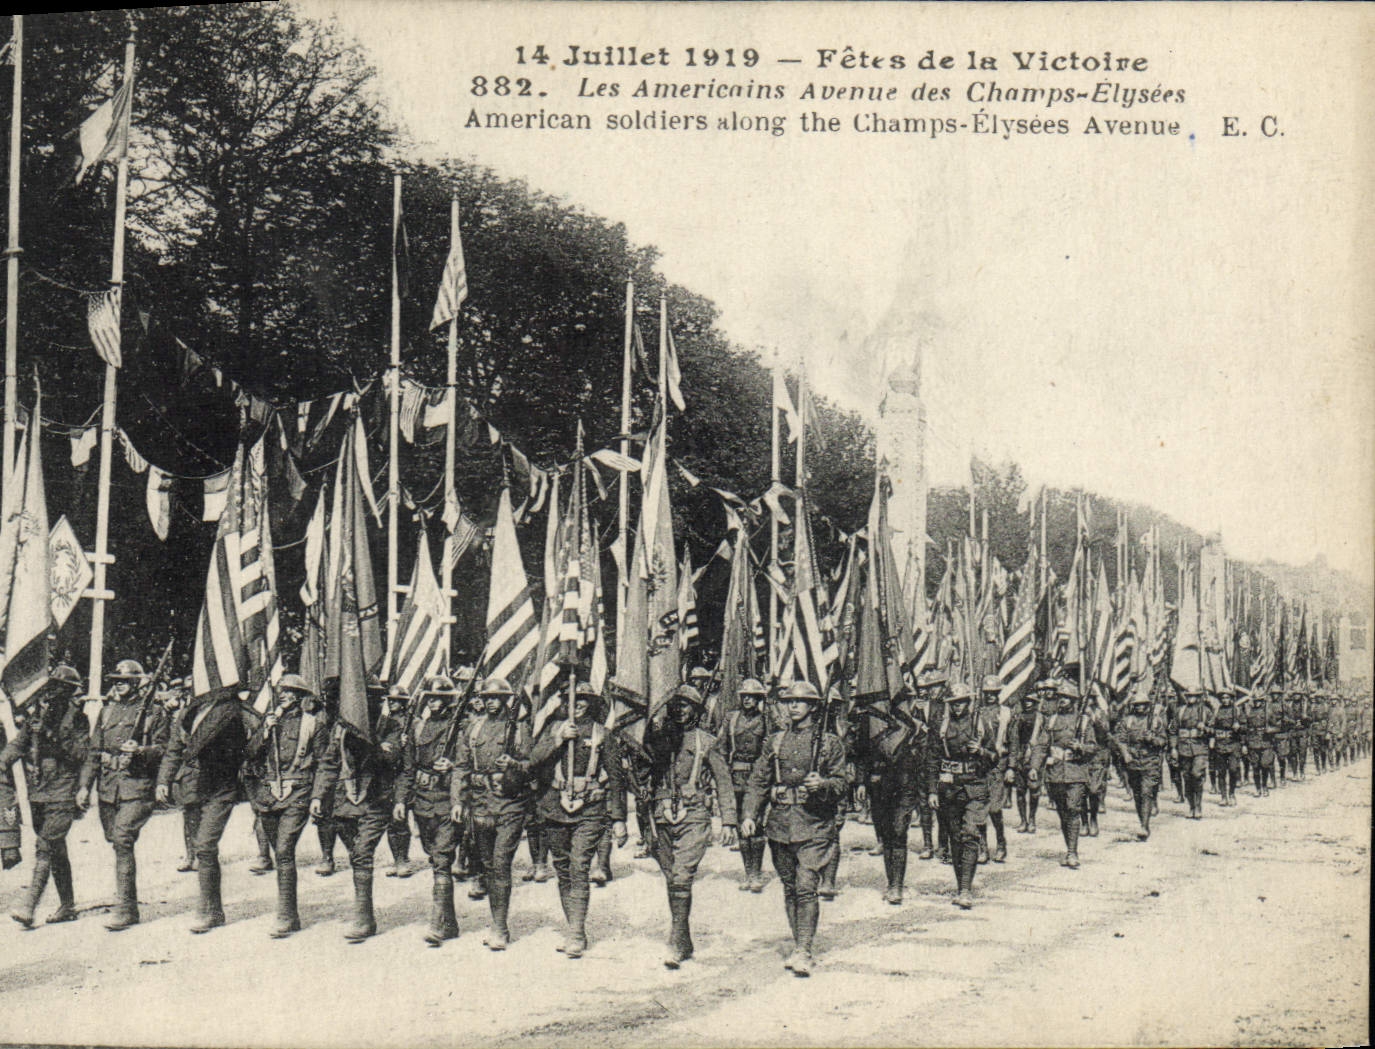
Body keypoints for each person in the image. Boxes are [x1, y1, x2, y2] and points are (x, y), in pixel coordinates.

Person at [741, 680, 846, 978]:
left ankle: (804, 949)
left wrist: (822, 785)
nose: (794, 706)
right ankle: (798, 941)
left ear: (813, 706)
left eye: (800, 701)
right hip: (780, 825)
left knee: (805, 886)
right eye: (789, 701)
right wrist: (750, 813)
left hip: (814, 824)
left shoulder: (829, 743)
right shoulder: (775, 741)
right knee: (789, 887)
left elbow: (841, 783)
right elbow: (758, 781)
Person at [528, 680, 628, 959]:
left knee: (579, 865)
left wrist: (619, 818)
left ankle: (576, 933)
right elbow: (532, 761)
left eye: (583, 698)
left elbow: (617, 779)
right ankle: (573, 925)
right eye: (572, 698)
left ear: (592, 702)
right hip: (555, 809)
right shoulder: (553, 729)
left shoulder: (602, 734)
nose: (578, 703)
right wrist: (558, 739)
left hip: (589, 811)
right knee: (562, 869)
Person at [643, 684, 737, 968]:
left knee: (682, 876)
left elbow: (723, 781)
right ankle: (683, 937)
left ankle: (675, 939)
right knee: (673, 878)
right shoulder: (659, 739)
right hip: (661, 816)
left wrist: (729, 820)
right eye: (676, 705)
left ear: (696, 710)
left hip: (693, 815)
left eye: (686, 706)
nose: (680, 710)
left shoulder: (705, 742)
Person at [77, 658, 171, 931]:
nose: (118, 686)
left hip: (138, 786)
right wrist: (84, 786)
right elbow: (94, 753)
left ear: (136, 683)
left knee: (122, 838)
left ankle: (127, 909)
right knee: (114, 838)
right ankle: (126, 899)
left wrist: (141, 751)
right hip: (108, 788)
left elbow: (167, 750)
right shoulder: (107, 712)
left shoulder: (154, 713)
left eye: (124, 681)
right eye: (115, 681)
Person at [309, 685, 406, 943]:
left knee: (362, 853)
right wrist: (318, 795)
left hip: (375, 800)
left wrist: (364, 739)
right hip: (345, 802)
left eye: (371, 698)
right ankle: (365, 912)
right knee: (356, 856)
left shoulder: (390, 726)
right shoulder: (340, 729)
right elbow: (329, 763)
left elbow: (388, 758)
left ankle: (363, 919)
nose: (364, 703)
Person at [157, 682, 249, 934]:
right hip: (193, 786)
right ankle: (215, 908)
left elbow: (240, 748)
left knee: (205, 845)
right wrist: (164, 780)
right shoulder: (189, 714)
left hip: (220, 786)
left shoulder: (231, 710)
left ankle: (207, 909)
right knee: (203, 849)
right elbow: (174, 750)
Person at [241, 674, 326, 938]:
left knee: (285, 849)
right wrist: (265, 731)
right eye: (282, 691)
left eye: (291, 692)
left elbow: (324, 763)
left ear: (302, 697)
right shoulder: (268, 722)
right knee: (278, 852)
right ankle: (287, 911)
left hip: (298, 790)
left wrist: (318, 796)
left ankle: (287, 915)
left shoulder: (312, 724)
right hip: (268, 795)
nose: (285, 695)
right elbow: (250, 754)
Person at [3, 665, 87, 928]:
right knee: (56, 850)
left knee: (46, 846)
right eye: (53, 685)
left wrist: (50, 734)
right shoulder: (38, 714)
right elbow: (19, 744)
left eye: (62, 687)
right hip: (39, 792)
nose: (55, 691)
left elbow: (81, 755)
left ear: (71, 691)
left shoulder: (77, 719)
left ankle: (29, 905)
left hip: (63, 791)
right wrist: (3, 761)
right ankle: (67, 905)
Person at [453, 676, 532, 951]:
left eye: (496, 698)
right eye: (487, 698)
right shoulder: (473, 729)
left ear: (506, 700)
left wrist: (514, 763)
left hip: (510, 803)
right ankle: (495, 920)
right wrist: (457, 801)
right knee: (487, 865)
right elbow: (461, 767)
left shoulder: (519, 729)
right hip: (480, 803)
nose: (491, 702)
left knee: (500, 863)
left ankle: (500, 927)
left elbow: (532, 762)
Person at [395, 675, 463, 947]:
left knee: (443, 859)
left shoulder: (460, 726)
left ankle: (437, 925)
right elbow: (408, 768)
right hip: (422, 801)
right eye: (430, 698)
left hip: (447, 798)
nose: (434, 702)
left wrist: (453, 765)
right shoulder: (418, 727)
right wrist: (401, 799)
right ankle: (451, 923)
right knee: (434, 857)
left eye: (439, 698)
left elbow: (468, 762)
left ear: (448, 700)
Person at [924, 681, 999, 909]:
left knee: (970, 834)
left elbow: (994, 758)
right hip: (950, 789)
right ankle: (961, 886)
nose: (958, 708)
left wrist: (981, 751)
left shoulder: (980, 724)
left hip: (975, 787)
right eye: (954, 704)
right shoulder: (942, 725)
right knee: (956, 839)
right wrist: (931, 790)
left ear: (969, 702)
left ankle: (966, 890)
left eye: (961, 703)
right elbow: (932, 759)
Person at [856, 683, 924, 905]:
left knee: (898, 831)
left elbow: (924, 757)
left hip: (905, 783)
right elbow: (862, 753)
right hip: (879, 784)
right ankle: (891, 881)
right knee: (886, 834)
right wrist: (861, 782)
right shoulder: (871, 721)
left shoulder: (914, 722)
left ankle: (897, 885)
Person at [1028, 679, 1091, 869]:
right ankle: (1069, 847)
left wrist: (1081, 747)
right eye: (1060, 697)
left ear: (1073, 700)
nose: (1061, 700)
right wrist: (1034, 767)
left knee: (1073, 809)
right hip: (1055, 773)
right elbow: (1041, 746)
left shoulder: (1084, 720)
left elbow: (1093, 747)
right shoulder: (1052, 719)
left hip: (1076, 772)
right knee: (1063, 812)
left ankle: (1072, 852)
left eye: (1066, 697)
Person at [722, 678, 769, 892]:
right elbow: (722, 749)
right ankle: (748, 872)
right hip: (736, 777)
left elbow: (771, 750)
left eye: (752, 696)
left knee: (757, 823)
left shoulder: (766, 720)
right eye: (744, 696)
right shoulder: (731, 719)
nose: (748, 699)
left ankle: (757, 873)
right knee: (741, 824)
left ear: (759, 699)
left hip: (758, 776)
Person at [1109, 681, 1168, 839]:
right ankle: (1142, 819)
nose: (1140, 707)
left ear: (1148, 705)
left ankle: (1144, 826)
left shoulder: (1156, 721)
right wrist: (1125, 753)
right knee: (1137, 793)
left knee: (1147, 792)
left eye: (1143, 705)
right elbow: (1119, 739)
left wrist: (1153, 738)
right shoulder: (1127, 721)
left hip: (1150, 760)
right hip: (1133, 761)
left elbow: (1163, 741)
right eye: (1137, 705)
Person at [155, 679, 200, 874]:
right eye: (188, 691)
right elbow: (173, 751)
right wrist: (163, 781)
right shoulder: (184, 716)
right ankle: (191, 855)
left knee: (207, 816)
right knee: (190, 815)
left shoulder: (217, 713)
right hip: (189, 773)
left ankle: (203, 854)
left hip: (212, 773)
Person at [378, 688, 416, 879]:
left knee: (399, 819)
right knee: (391, 822)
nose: (392, 703)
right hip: (386, 774)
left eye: (397, 701)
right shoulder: (383, 721)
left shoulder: (412, 723)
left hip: (402, 773)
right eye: (390, 700)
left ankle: (403, 859)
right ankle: (397, 859)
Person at [912, 670, 947, 859]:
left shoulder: (948, 706)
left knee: (943, 804)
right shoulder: (922, 707)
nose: (932, 690)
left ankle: (943, 844)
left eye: (936, 686)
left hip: (944, 760)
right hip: (924, 759)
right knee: (924, 803)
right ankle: (927, 844)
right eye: (929, 687)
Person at [1008, 681, 1050, 834]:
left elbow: (1043, 743)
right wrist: (1012, 765)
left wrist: (1035, 765)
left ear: (1035, 702)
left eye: (1031, 701)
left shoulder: (1041, 719)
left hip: (1034, 757)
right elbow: (1013, 741)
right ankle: (1023, 820)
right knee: (1020, 791)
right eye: (1025, 701)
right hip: (1020, 757)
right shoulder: (1018, 718)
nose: (1028, 704)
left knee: (1034, 790)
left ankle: (1032, 819)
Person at [977, 676, 1009, 863]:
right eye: (987, 693)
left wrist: (1012, 766)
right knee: (979, 808)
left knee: (995, 808)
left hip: (998, 765)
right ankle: (982, 848)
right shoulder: (977, 713)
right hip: (980, 765)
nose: (990, 696)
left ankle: (1001, 842)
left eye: (994, 693)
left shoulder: (1005, 713)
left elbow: (1012, 741)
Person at [1169, 685, 1213, 820]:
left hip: (1200, 748)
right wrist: (1173, 748)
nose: (1191, 698)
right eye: (1189, 696)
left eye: (1194, 696)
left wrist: (1205, 728)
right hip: (1184, 749)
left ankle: (1198, 806)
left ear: (1199, 697)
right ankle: (1191, 806)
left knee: (1197, 775)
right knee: (1187, 777)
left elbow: (1214, 730)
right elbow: (1173, 731)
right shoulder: (1180, 711)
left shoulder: (1206, 711)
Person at [1209, 685, 1244, 807]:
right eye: (1223, 698)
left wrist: (1239, 726)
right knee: (1221, 772)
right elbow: (1211, 726)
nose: (1225, 700)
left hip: (1233, 744)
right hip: (1220, 744)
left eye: (1227, 697)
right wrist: (1212, 737)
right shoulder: (1217, 711)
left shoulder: (1237, 711)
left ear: (1231, 698)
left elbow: (1246, 728)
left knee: (1233, 770)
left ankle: (1232, 793)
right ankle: (1223, 796)